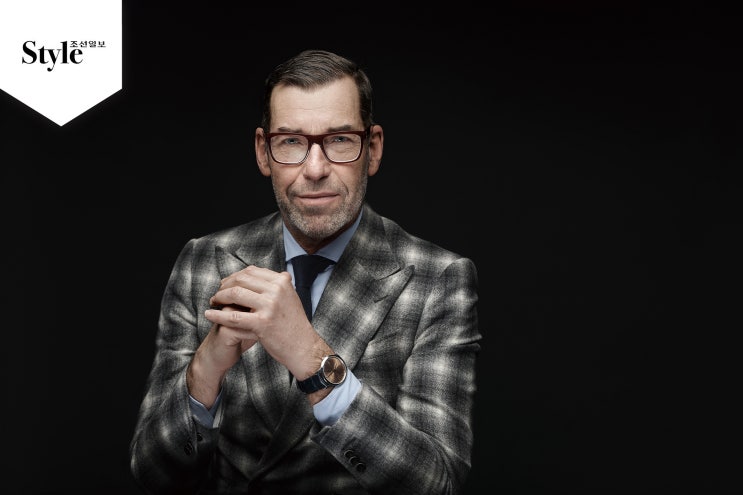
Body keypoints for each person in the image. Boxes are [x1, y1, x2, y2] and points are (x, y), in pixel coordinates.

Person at [129, 49, 481, 495]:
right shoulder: (203, 261)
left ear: (372, 149)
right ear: (264, 152)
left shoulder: (438, 279)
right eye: (292, 142)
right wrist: (205, 372)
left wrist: (313, 359)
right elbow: (152, 473)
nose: (315, 169)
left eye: (340, 140)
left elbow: (436, 482)